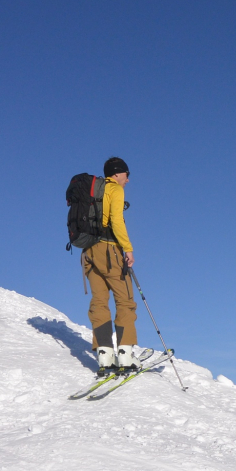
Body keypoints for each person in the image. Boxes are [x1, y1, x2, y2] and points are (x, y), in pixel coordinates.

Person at [82, 157, 138, 375]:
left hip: (88, 252)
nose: (128, 180)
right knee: (125, 300)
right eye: (126, 174)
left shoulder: (93, 191)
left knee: (99, 301)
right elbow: (116, 220)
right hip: (109, 249)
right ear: (117, 173)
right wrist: (128, 248)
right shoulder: (115, 189)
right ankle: (125, 354)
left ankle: (104, 355)